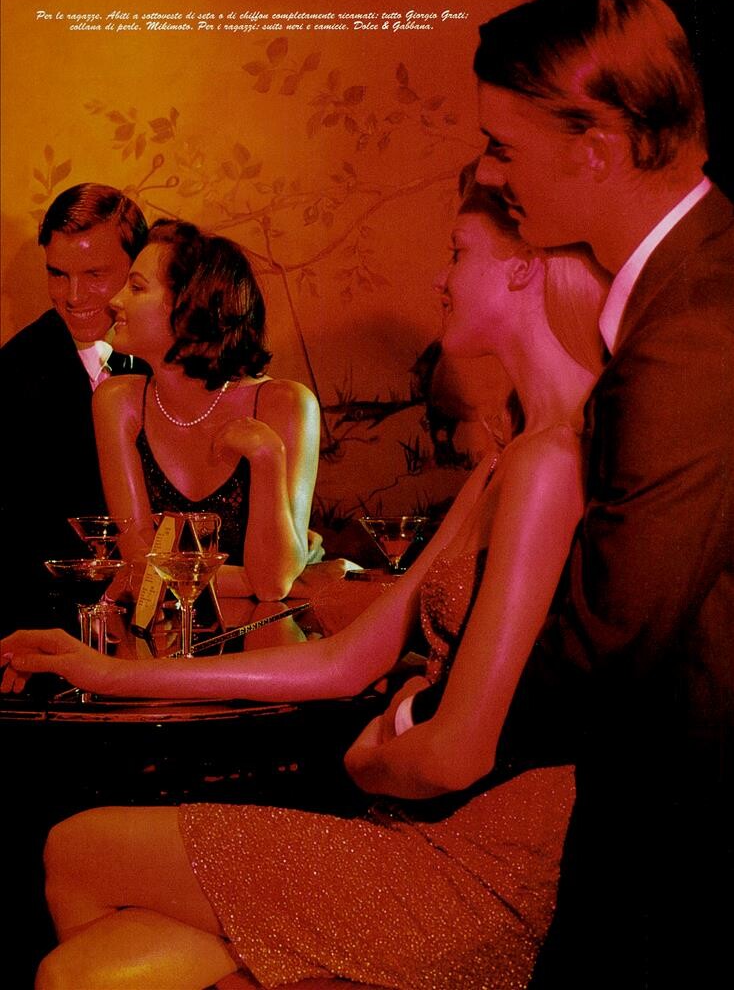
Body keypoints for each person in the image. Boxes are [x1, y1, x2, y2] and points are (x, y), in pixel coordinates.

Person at [2, 183, 610, 990]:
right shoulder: (512, 454)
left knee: (75, 849)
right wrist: (104, 671)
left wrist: (363, 760)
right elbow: (345, 660)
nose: (440, 277)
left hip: (472, 864)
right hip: (413, 820)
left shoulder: (548, 462)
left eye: (458, 253)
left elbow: (453, 755)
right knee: (76, 967)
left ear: (527, 272)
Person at [456, 0, 732, 987]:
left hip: (685, 848)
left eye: (502, 147)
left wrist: (441, 726)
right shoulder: (687, 288)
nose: (491, 175)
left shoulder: (691, 326)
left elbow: (615, 632)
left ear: (597, 150)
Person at [95, 218, 322, 601]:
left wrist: (267, 456)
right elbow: (139, 568)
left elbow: (271, 585)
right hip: (161, 634)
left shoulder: (286, 404)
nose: (115, 300)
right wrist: (282, 580)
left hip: (264, 634)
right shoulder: (118, 401)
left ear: (192, 304)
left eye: (136, 287)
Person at [0, 183, 150, 635]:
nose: (73, 295)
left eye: (95, 274)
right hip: (48, 627)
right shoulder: (12, 374)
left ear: (137, 268)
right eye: (58, 274)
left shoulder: (167, 356)